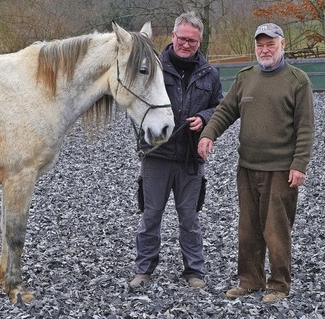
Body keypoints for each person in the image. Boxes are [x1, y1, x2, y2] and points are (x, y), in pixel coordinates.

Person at [198, 23, 314, 303]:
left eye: (270, 44)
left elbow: (306, 128)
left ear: (282, 45)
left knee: (276, 230)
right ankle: (250, 280)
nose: (265, 50)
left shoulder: (298, 81)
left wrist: (299, 164)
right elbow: (225, 110)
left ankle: (279, 285)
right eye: (260, 45)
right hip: (247, 168)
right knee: (247, 230)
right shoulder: (245, 78)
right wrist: (208, 134)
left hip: (281, 170)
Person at [130, 11, 223, 289]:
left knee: (190, 219)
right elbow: (135, 101)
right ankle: (143, 270)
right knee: (150, 217)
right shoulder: (152, 68)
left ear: (200, 41)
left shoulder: (210, 74)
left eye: (192, 41)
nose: (186, 44)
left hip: (190, 159)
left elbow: (220, 108)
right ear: (172, 36)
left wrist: (205, 118)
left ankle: (194, 272)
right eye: (182, 38)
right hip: (156, 156)